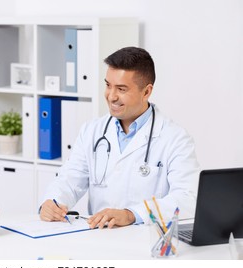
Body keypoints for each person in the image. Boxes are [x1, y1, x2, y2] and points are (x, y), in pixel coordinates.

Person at [40, 47, 200, 229]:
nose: (111, 96)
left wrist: (132, 214)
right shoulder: (92, 131)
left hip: (145, 240)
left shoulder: (175, 138)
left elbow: (188, 199)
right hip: (98, 236)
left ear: (146, 92)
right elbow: (69, 179)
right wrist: (52, 202)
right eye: (108, 85)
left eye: (121, 89)